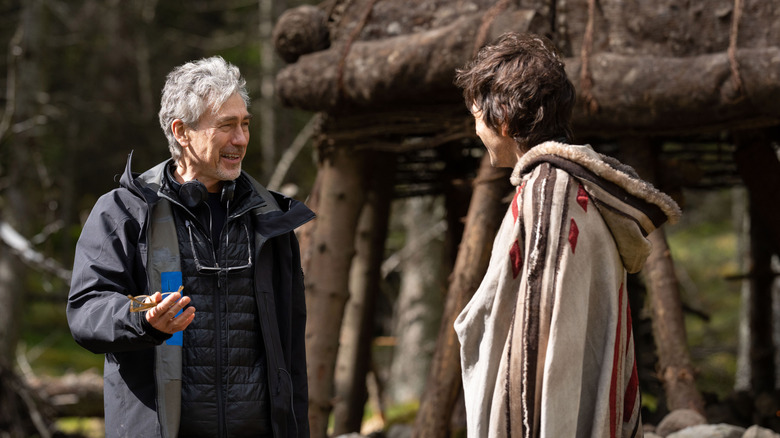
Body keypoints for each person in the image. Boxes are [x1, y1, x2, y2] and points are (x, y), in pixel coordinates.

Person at [67, 56, 313, 438]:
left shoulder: (271, 220)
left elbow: (292, 356)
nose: (241, 139)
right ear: (182, 132)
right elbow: (87, 309)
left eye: (245, 124)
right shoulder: (125, 210)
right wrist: (143, 315)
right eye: (227, 126)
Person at [453, 32, 680, 437]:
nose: (475, 131)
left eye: (476, 117)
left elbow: (537, 340)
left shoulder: (549, 196)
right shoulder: (572, 191)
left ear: (502, 118)